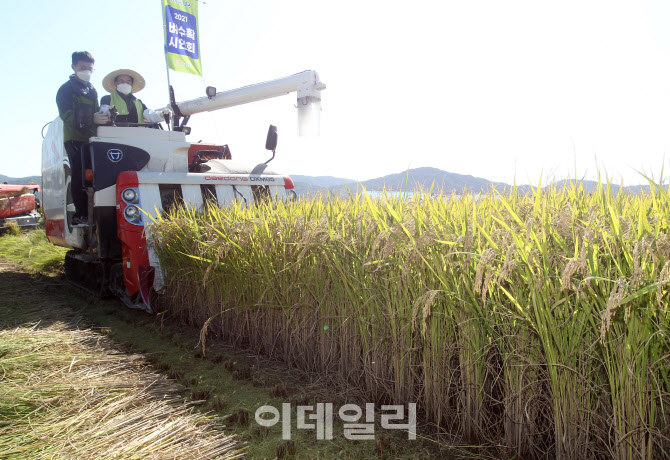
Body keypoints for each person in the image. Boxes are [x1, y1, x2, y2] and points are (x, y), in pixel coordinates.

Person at [56, 51, 109, 224]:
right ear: (74, 67)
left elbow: (95, 113)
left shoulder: (92, 90)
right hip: (74, 138)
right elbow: (67, 115)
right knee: (79, 174)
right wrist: (90, 119)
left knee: (93, 176)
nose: (86, 71)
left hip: (91, 139)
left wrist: (102, 117)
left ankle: (94, 211)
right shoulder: (65, 90)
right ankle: (80, 215)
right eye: (82, 67)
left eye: (90, 68)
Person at [100, 69, 169, 124]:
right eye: (121, 80)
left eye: (128, 81)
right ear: (116, 83)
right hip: (112, 139)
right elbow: (103, 113)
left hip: (136, 139)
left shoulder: (138, 103)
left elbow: (150, 114)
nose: (125, 83)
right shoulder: (106, 99)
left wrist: (161, 115)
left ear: (132, 84)